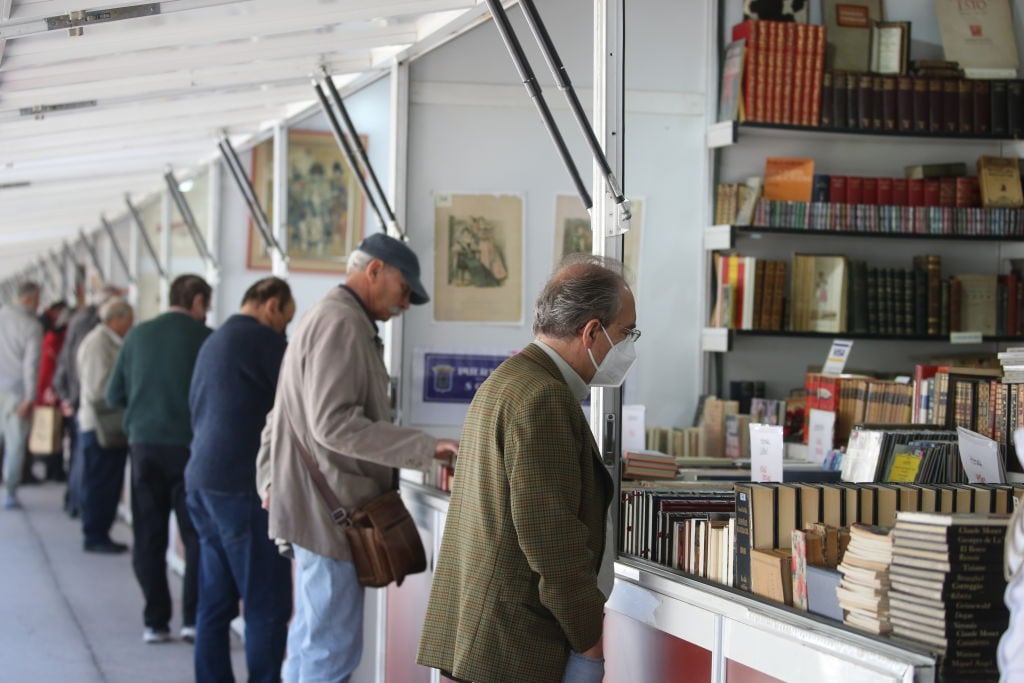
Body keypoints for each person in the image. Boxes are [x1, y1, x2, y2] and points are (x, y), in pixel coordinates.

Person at [418, 254, 639, 683]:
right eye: (626, 333)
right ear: (592, 332)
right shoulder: (544, 398)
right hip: (513, 647)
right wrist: (589, 641)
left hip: (483, 636)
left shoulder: (510, 378)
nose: (629, 346)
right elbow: (552, 543)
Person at [256, 233, 458, 682]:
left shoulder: (324, 316)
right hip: (330, 517)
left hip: (315, 510)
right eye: (404, 290)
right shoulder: (342, 323)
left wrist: (268, 482)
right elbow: (334, 424)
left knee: (311, 646)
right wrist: (425, 448)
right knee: (329, 656)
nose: (405, 304)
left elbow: (280, 415)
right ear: (375, 271)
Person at [185, 277, 296, 683]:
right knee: (266, 604)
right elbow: (298, 405)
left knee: (214, 604)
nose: (285, 328)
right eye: (286, 318)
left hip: (201, 480)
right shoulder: (266, 343)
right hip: (240, 486)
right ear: (271, 306)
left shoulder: (213, 341)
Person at [106, 274, 213, 645]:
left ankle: (155, 620)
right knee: (196, 535)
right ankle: (193, 620)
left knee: (148, 535)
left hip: (145, 446)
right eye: (206, 305)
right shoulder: (206, 338)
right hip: (191, 449)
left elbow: (113, 393)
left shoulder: (136, 336)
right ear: (197, 301)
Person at [54, 283, 126, 516]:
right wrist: (71, 396)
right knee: (89, 466)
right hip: (92, 412)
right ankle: (83, 509)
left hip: (80, 401)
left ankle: (78, 504)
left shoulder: (84, 322)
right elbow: (92, 380)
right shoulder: (94, 332)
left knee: (83, 461)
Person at [76, 298, 134, 554]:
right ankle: (95, 533)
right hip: (99, 425)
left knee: (105, 480)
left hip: (101, 424)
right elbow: (99, 389)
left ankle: (99, 530)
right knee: (100, 481)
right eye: (128, 321)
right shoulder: (99, 343)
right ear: (116, 319)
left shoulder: (106, 341)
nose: (130, 327)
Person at [0, 281, 43, 510]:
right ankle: (10, 492)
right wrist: (29, 397)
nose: (39, 304)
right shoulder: (30, 325)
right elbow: (31, 364)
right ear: (28, 299)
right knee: (15, 445)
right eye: (38, 299)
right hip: (17, 392)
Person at [34, 300, 71, 481]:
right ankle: (54, 470)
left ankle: (53, 469)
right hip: (53, 393)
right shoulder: (56, 340)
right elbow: (48, 370)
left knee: (56, 432)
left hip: (50, 391)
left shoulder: (51, 339)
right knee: (55, 432)